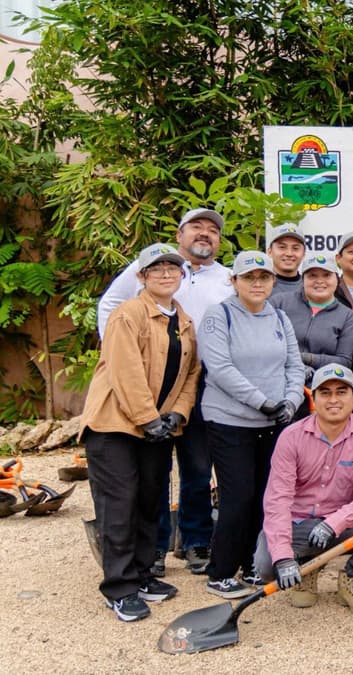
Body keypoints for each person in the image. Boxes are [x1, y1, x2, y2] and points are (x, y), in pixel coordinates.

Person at [96, 207, 231, 579]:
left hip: (200, 383)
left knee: (198, 468)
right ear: (180, 234)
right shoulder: (155, 267)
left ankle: (196, 542)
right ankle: (153, 547)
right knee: (153, 469)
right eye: (196, 228)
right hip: (150, 382)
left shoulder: (228, 278)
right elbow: (109, 304)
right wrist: (120, 351)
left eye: (212, 231)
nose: (204, 234)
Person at [81, 244, 202, 622]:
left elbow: (191, 374)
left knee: (151, 501)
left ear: (181, 276)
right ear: (142, 276)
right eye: (157, 269)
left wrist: (175, 416)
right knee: (120, 505)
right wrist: (147, 417)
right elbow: (125, 369)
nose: (166, 274)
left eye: (173, 268)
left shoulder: (182, 319)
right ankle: (119, 587)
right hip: (114, 426)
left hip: (158, 427)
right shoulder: (127, 315)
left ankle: (144, 574)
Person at [199, 251, 305, 599]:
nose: (257, 283)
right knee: (238, 496)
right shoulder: (220, 316)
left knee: (267, 496)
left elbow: (294, 364)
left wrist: (291, 401)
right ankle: (221, 571)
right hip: (230, 421)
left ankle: (252, 565)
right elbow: (220, 368)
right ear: (234, 281)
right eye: (249, 278)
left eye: (264, 277)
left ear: (273, 281)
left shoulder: (278, 317)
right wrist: (262, 401)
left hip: (274, 421)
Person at [253, 364, 353, 617]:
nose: (333, 400)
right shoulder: (291, 437)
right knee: (267, 566)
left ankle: (352, 578)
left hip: (342, 525)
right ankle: (306, 570)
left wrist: (334, 523)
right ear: (314, 399)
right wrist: (284, 557)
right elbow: (278, 498)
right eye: (325, 393)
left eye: (341, 392)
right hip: (298, 524)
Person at [273, 253, 353, 386]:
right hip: (278, 384)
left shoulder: (347, 316)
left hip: (321, 389)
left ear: (337, 280)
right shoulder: (279, 302)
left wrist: (307, 358)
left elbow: (345, 361)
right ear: (303, 280)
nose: (320, 281)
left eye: (326, 275)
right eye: (312, 275)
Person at [267, 223, 306, 298]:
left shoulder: (311, 287)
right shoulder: (259, 287)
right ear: (270, 252)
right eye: (282, 247)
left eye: (295, 248)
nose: (289, 254)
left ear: (303, 254)